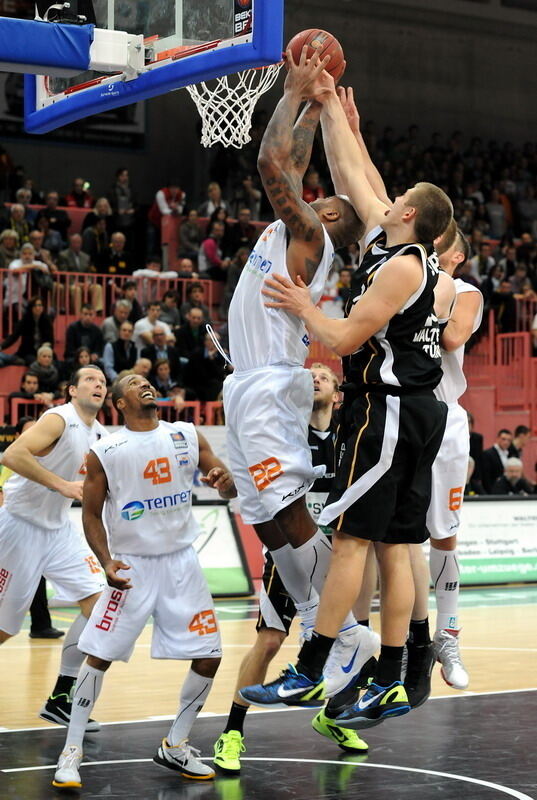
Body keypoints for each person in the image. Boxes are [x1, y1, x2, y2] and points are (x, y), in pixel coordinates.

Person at [240, 64, 452, 729]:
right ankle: (394, 675)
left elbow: (343, 335)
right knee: (394, 547)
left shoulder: (396, 265)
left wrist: (305, 307)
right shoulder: (400, 245)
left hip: (386, 409)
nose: (366, 200)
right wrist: (333, 110)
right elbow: (357, 177)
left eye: (393, 202)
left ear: (406, 215)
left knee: (357, 540)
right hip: (411, 410)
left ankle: (311, 668)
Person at [224, 49, 377, 709]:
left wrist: (292, 92)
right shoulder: (302, 230)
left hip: (267, 385)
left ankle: (340, 632)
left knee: (284, 510)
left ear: (332, 223)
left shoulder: (309, 234)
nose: (312, 198)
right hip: (246, 387)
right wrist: (316, 104)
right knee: (263, 518)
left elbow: (270, 165)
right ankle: (334, 625)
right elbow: (288, 165)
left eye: (327, 204)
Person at [52, 373, 236, 789]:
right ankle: (71, 751)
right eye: (134, 383)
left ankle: (175, 743)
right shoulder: (107, 450)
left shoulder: (187, 434)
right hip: (132, 568)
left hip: (182, 565)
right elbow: (90, 514)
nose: (145, 384)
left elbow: (226, 485)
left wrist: (226, 482)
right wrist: (107, 562)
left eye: (146, 380)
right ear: (119, 402)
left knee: (210, 655)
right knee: (98, 655)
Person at [213, 364, 370, 774]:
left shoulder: (352, 438)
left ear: (338, 394)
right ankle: (232, 733)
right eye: (310, 374)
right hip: (287, 557)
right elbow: (242, 487)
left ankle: (333, 715)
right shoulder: (284, 434)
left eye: (324, 376)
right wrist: (228, 483)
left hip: (337, 561)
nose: (315, 378)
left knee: (352, 641)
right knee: (268, 643)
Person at [0, 366, 107, 731]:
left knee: (99, 603)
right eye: (90, 379)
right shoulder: (58, 419)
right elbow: (12, 456)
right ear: (72, 389)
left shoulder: (101, 435)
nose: (99, 385)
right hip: (19, 526)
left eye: (103, 382)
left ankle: (61, 697)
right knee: (5, 628)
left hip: (59, 530)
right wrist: (61, 485)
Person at [406, 225, 483, 704]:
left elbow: (452, 338)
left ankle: (448, 637)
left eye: (441, 240)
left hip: (445, 415)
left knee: (445, 531)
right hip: (403, 409)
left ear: (455, 253)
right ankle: (409, 642)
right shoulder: (407, 277)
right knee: (396, 534)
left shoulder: (466, 292)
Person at [0, 417, 64, 639]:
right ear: (19, 437)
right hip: (11, 531)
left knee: (37, 577)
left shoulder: (47, 463)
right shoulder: (11, 463)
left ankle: (40, 624)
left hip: (35, 532)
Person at [0, 296, 54, 365]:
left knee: (51, 363)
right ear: (31, 308)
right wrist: (1, 346)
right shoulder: (25, 320)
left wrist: (46, 348)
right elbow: (13, 337)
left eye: (40, 305)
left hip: (43, 351)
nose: (38, 308)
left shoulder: (47, 320)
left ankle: (12, 359)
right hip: (28, 352)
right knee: (36, 363)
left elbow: (50, 340)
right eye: (35, 306)